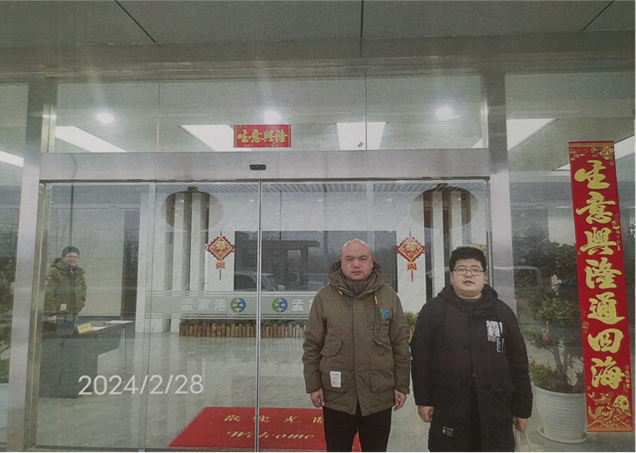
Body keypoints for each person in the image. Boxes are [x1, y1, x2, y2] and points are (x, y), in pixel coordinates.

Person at [410, 246, 532, 453]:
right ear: (452, 276)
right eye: (461, 269)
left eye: (475, 270)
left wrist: (522, 408)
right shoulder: (433, 311)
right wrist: (424, 400)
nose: (468, 274)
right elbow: (421, 360)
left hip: (496, 406)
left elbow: (518, 362)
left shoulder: (502, 312)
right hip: (450, 405)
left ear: (485, 276)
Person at [302, 239, 411, 453]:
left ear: (372, 261)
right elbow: (312, 345)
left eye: (362, 258)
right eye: (350, 259)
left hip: (378, 396)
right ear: (341, 262)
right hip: (337, 397)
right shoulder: (325, 297)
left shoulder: (388, 296)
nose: (356, 264)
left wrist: (401, 385)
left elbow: (400, 344)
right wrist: (313, 385)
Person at [44, 246, 86, 335]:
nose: (73, 259)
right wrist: (51, 313)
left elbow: (83, 289)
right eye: (70, 256)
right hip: (59, 316)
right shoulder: (54, 272)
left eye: (76, 257)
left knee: (70, 339)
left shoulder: (78, 273)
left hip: (73, 313)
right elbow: (49, 293)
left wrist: (80, 305)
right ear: (63, 258)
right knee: (58, 339)